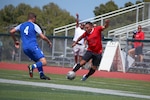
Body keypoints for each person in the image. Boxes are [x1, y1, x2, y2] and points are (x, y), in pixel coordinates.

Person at [10, 12, 52, 80]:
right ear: (33, 18)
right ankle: (32, 67)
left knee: (39, 61)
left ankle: (41, 74)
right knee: (44, 62)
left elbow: (11, 31)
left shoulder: (21, 25)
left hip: (25, 48)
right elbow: (42, 37)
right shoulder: (34, 25)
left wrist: (15, 41)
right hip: (33, 46)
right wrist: (49, 42)